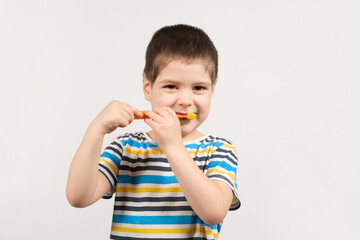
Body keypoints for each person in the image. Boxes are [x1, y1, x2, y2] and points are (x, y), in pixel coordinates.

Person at [66, 24, 240, 240]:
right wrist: (96, 130)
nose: (185, 101)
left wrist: (173, 145)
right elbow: (78, 197)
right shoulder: (126, 148)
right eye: (171, 86)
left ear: (213, 89)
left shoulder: (218, 150)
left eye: (199, 88)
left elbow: (214, 212)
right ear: (148, 87)